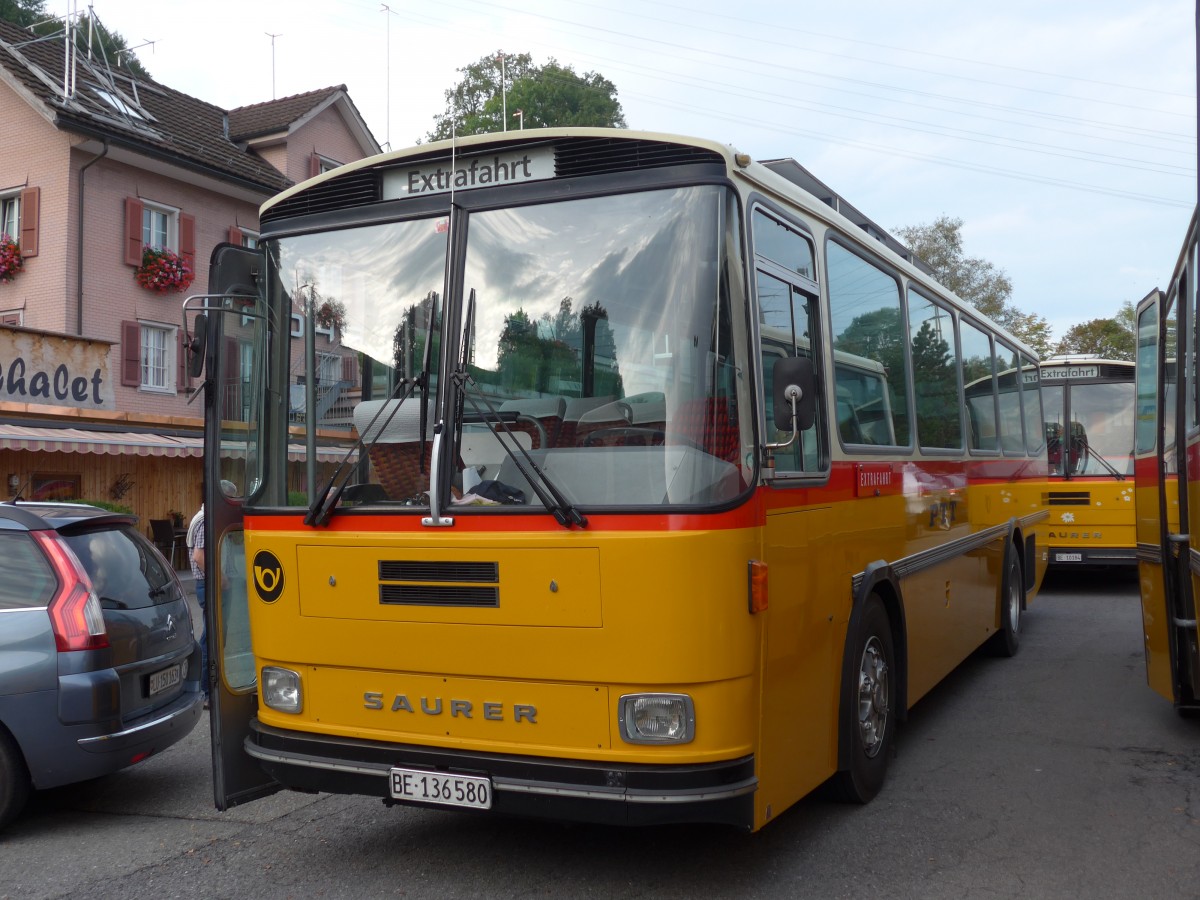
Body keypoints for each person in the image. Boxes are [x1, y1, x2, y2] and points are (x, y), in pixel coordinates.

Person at [186, 504, 209, 708]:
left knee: (211, 638)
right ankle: (204, 691)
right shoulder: (205, 520)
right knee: (210, 640)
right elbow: (199, 556)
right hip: (209, 583)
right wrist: (220, 579)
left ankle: (204, 689)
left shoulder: (199, 517)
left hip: (204, 583)